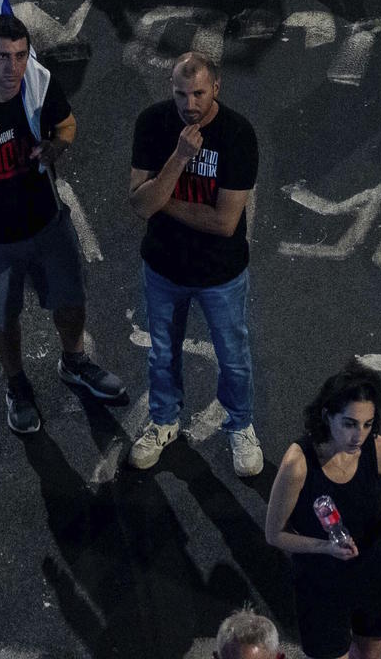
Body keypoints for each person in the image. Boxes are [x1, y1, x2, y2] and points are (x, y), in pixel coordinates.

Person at [0, 11, 131, 436]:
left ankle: (74, 362)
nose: (13, 67)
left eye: (21, 56)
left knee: (72, 301)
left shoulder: (37, 87)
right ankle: (16, 385)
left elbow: (68, 124)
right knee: (4, 319)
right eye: (2, 57)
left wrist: (58, 146)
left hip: (47, 224)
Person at [127, 51, 265, 475]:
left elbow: (225, 222)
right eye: (181, 93)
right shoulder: (153, 124)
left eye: (199, 93)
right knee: (162, 353)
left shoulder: (238, 134)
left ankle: (240, 426)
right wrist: (179, 158)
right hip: (164, 268)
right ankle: (165, 421)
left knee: (233, 356)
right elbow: (139, 204)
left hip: (219, 273)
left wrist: (163, 199)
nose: (190, 103)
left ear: (216, 88)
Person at [260, 363, 381, 659]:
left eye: (368, 424)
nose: (359, 435)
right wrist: (326, 547)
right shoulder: (298, 464)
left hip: (375, 571)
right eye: (349, 423)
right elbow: (274, 534)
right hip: (323, 580)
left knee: (370, 653)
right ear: (327, 415)